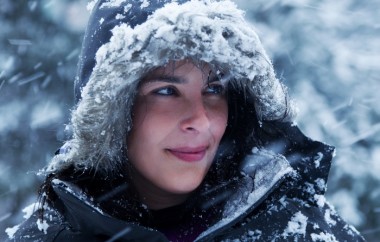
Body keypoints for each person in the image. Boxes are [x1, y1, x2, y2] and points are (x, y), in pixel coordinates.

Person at [6, 0, 365, 241]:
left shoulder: (301, 228)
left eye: (215, 90)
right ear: (112, 112)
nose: (201, 120)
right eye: (166, 91)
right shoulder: (50, 234)